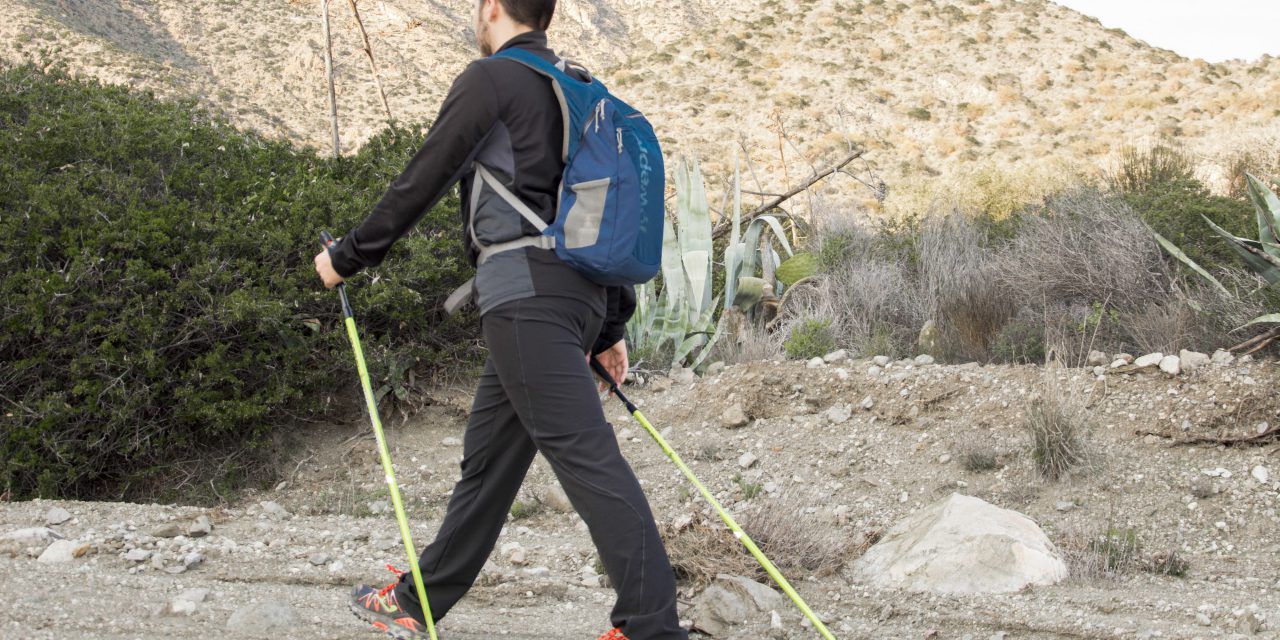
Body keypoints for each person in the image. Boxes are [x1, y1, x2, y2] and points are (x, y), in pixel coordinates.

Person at [312, 1, 687, 639]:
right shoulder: (580, 87)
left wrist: (346, 258)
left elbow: (421, 177)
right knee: (487, 463)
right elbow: (606, 207)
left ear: (491, 8)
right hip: (575, 297)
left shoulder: (491, 79)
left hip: (524, 299)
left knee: (588, 459)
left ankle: (652, 628)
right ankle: (418, 601)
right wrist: (612, 324)